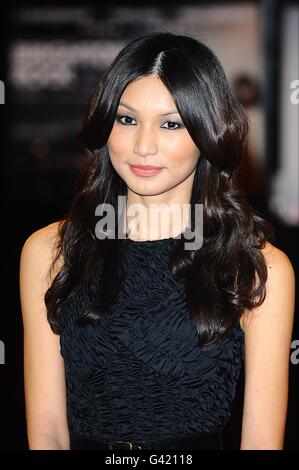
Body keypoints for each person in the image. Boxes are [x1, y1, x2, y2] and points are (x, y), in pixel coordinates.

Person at [19, 31, 295, 450]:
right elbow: (47, 433)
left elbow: (260, 441)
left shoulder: (255, 268)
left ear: (208, 134)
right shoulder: (49, 252)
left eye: (171, 124)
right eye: (127, 119)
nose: (143, 146)